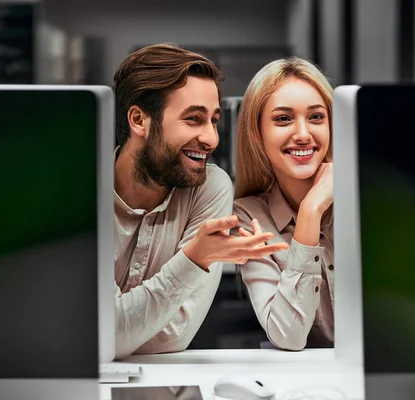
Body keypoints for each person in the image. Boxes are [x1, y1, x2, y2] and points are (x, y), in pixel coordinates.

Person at [113, 44, 288, 358]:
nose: (211, 139)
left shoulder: (210, 187)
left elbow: (172, 338)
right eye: (194, 119)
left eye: (214, 121)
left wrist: (122, 326)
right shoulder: (81, 191)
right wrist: (192, 260)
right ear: (139, 120)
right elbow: (105, 336)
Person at [232, 57, 334, 351]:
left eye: (316, 117)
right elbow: (287, 336)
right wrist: (311, 211)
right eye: (283, 119)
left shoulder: (366, 197)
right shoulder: (248, 217)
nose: (303, 134)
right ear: (257, 134)